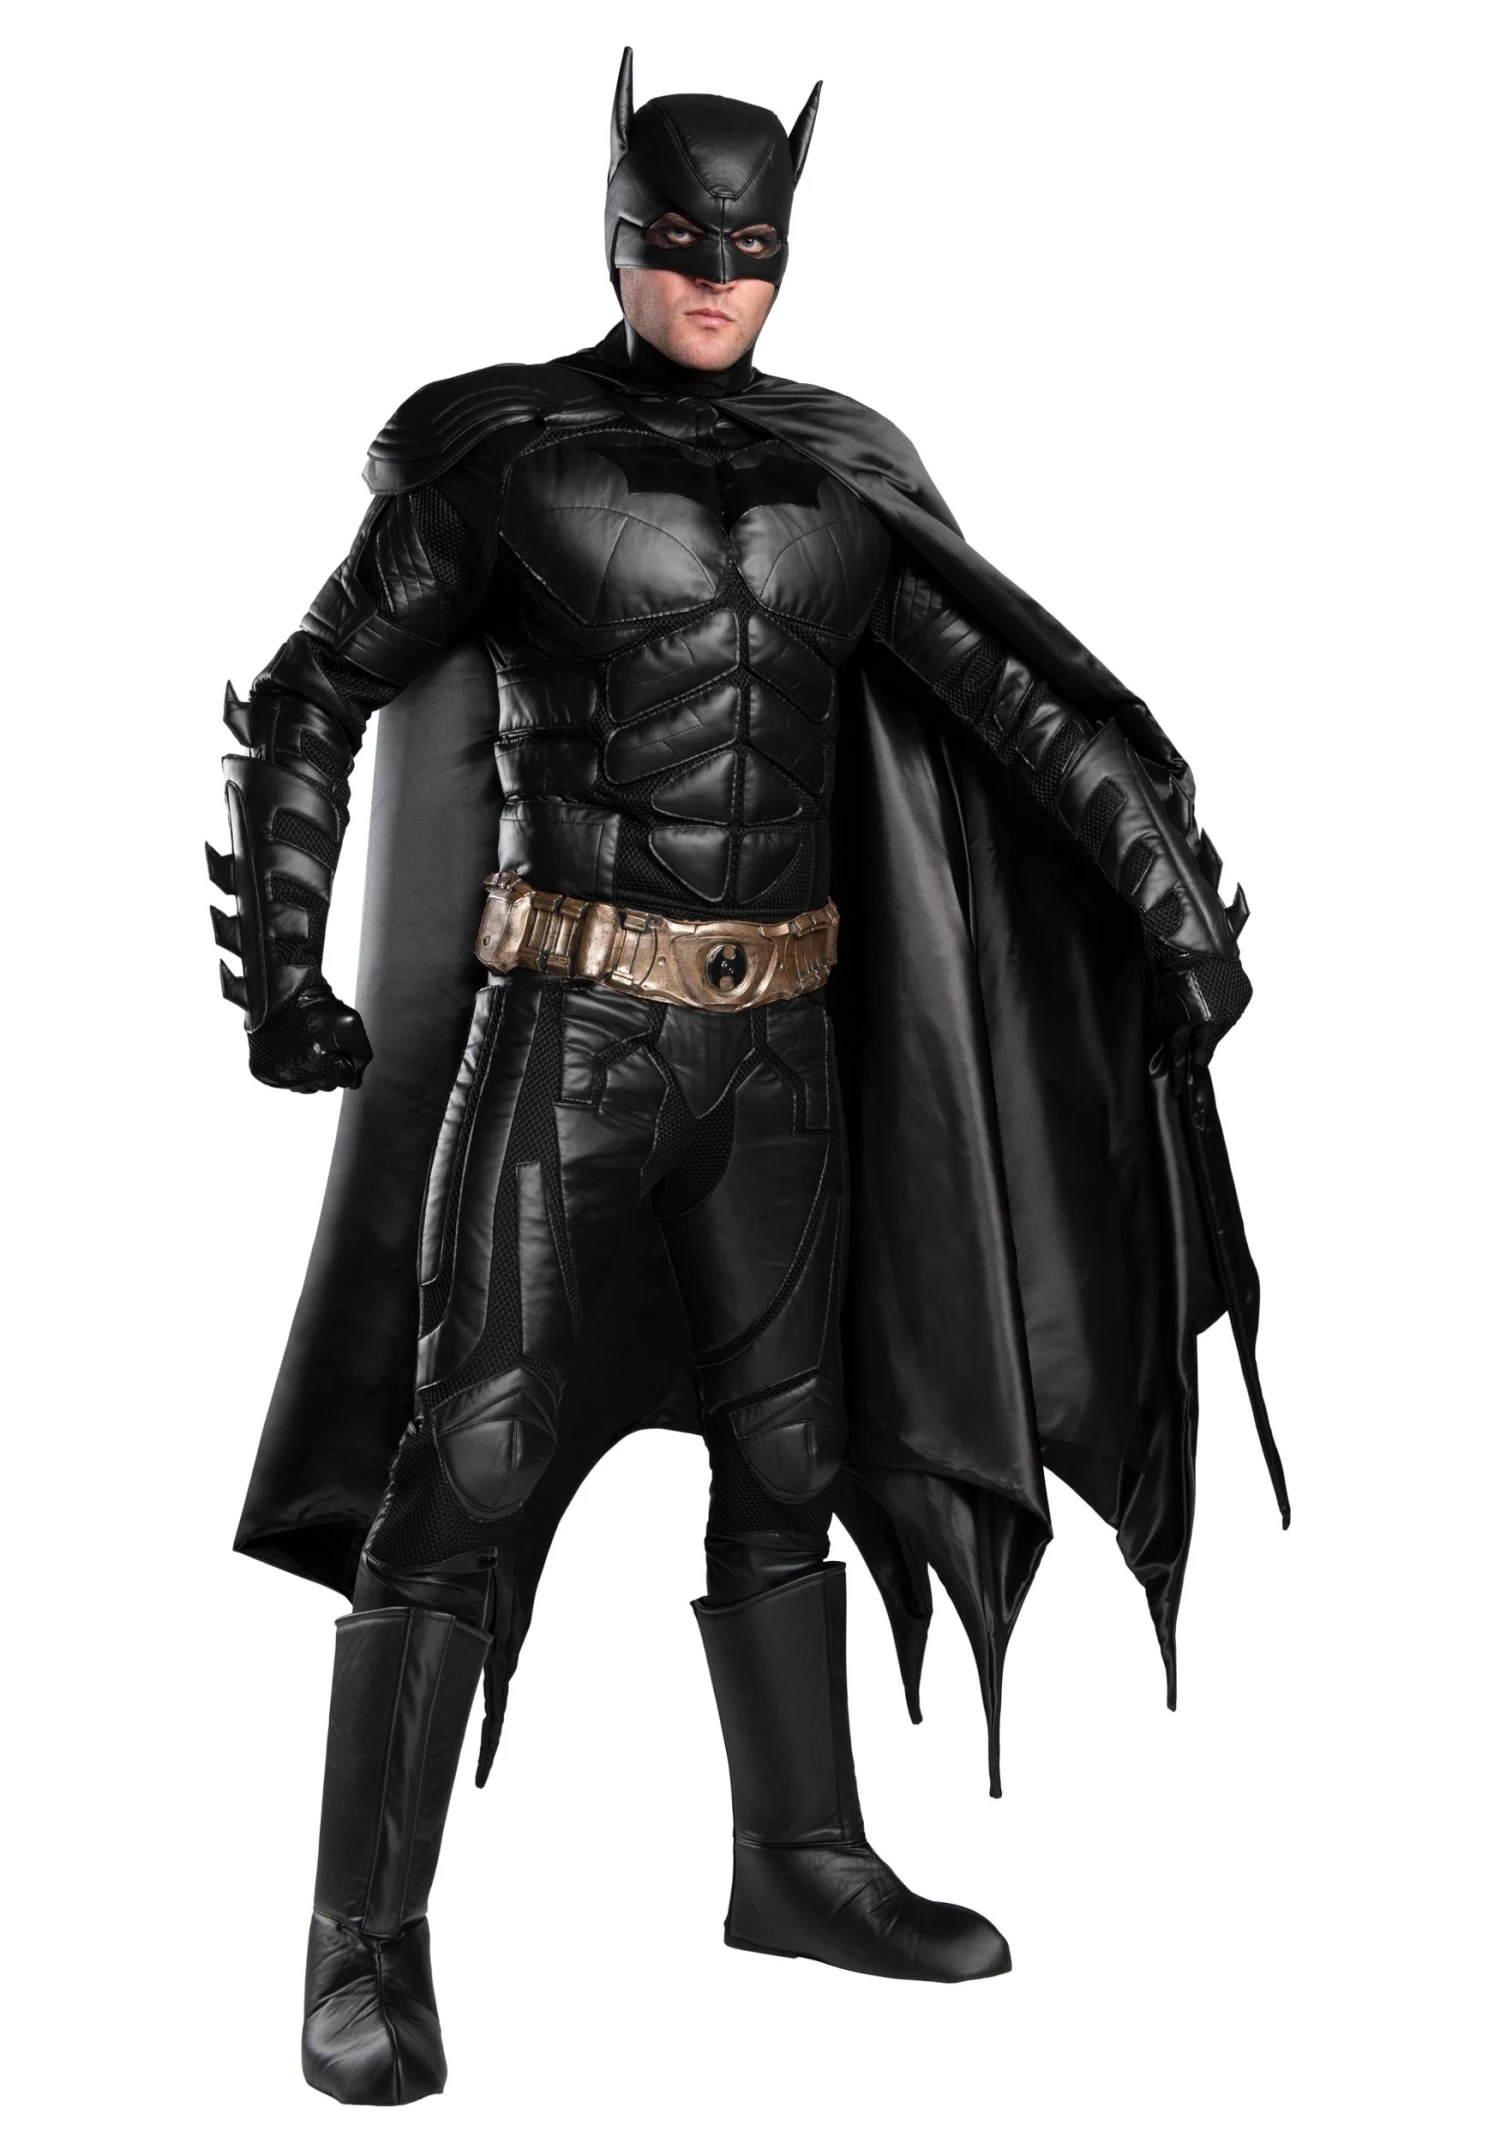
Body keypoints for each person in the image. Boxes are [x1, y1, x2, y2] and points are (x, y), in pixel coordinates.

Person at [212, 50, 1281, 2106]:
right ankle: (363, 1940)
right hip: (569, 1032)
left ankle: (798, 1858)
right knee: (467, 1462)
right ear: (617, 234)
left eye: (753, 244)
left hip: (779, 1048)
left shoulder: (837, 483)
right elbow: (314, 690)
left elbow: (1023, 702)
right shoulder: (506, 463)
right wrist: (279, 972)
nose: (716, 276)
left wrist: (1169, 908)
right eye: (682, 240)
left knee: (794, 1454)